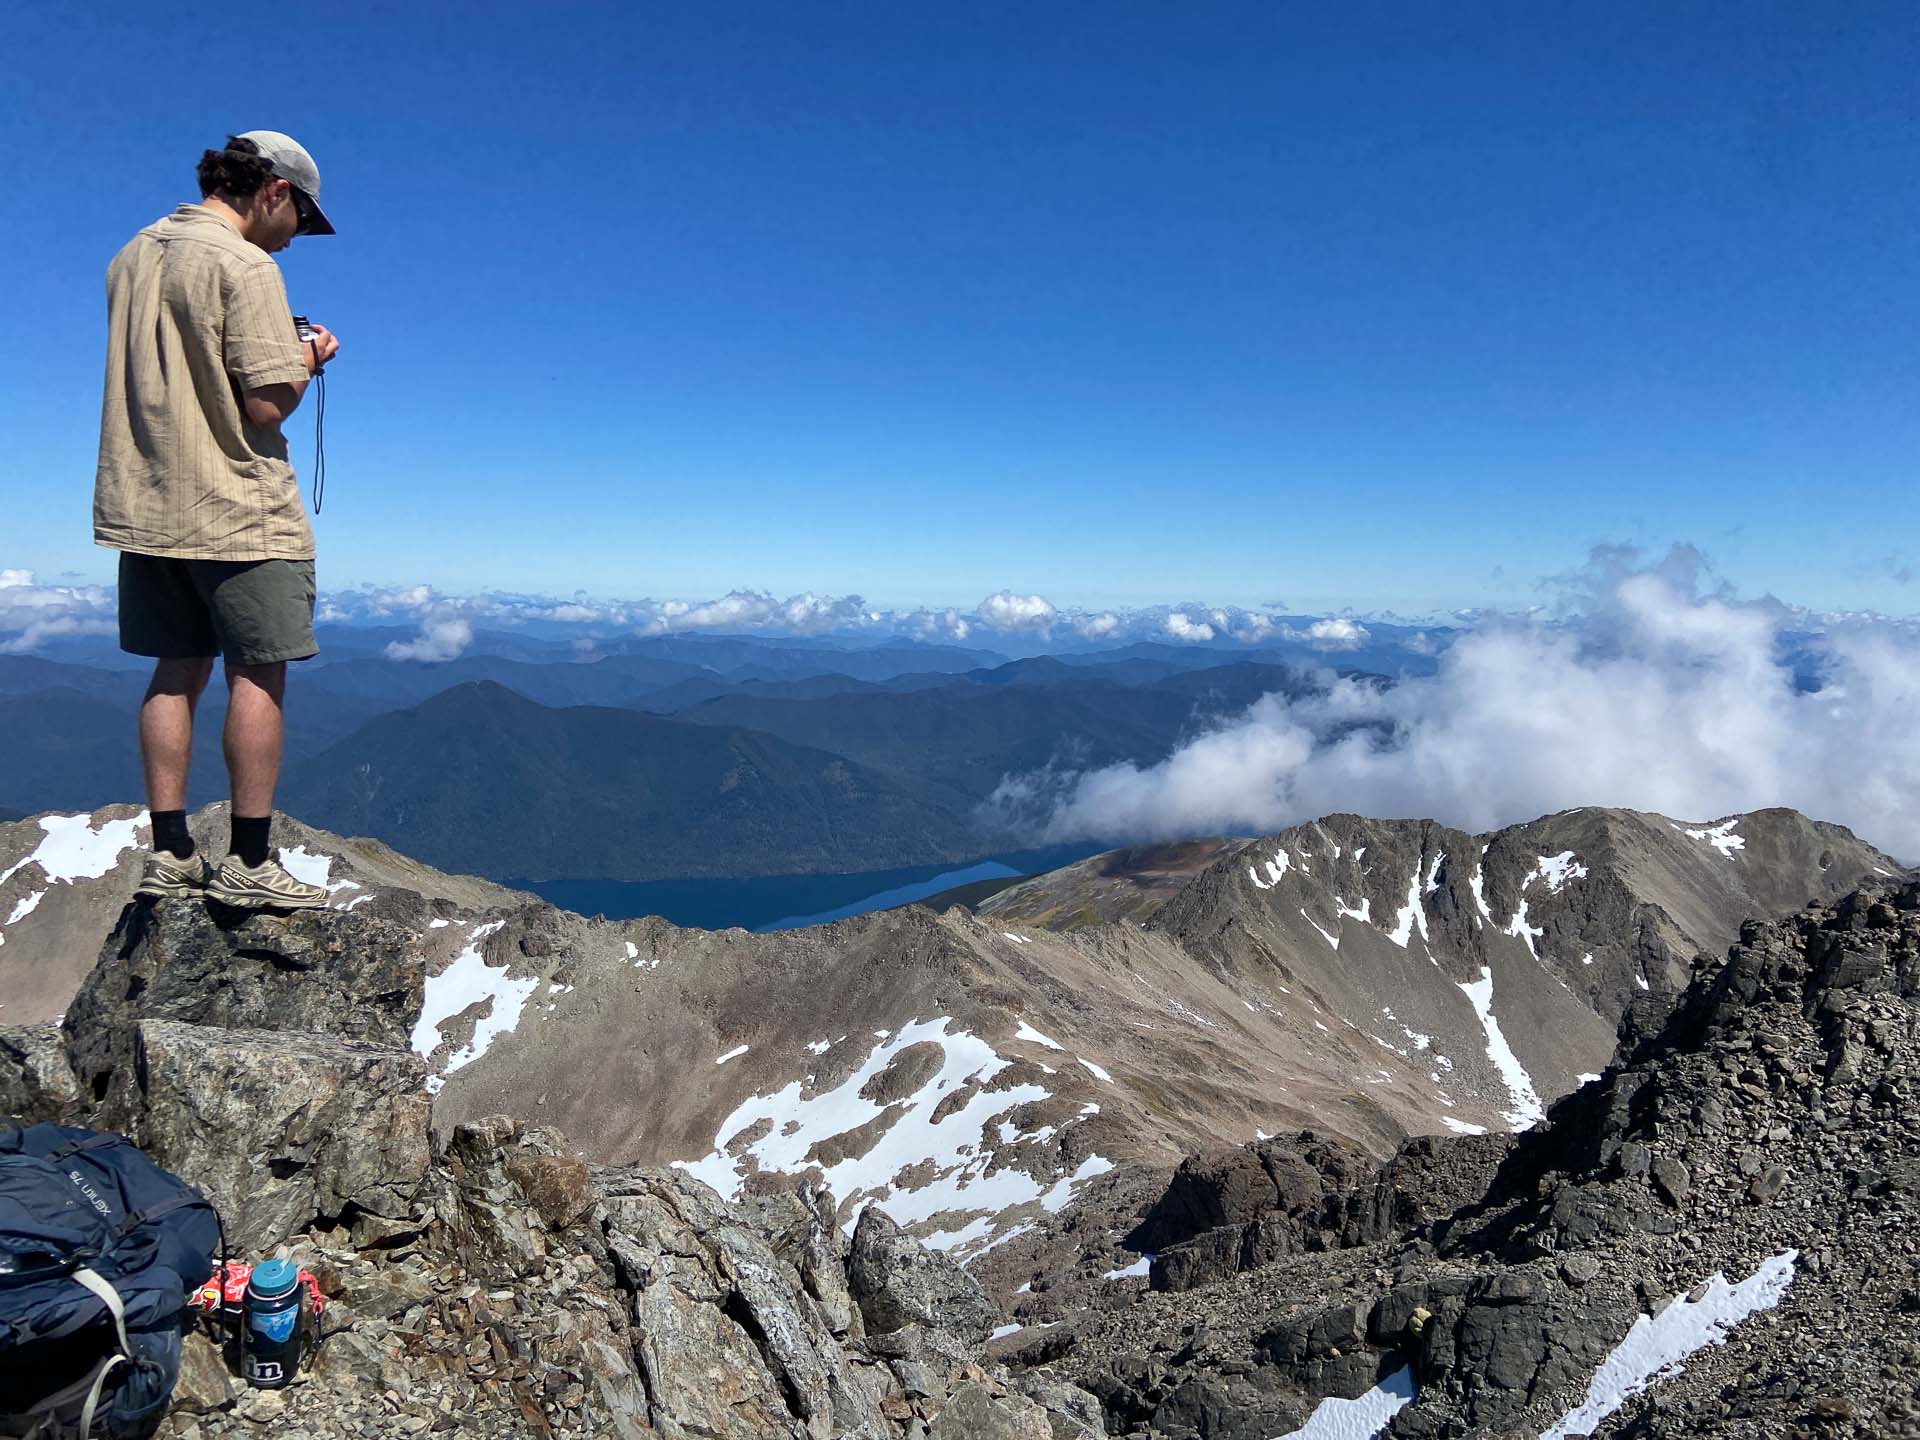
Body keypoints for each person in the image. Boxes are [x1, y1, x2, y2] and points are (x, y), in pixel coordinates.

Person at [94, 132, 341, 909]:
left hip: (146, 503)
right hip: (237, 507)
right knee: (258, 671)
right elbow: (266, 402)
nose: (296, 236)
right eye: (301, 218)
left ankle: (170, 851)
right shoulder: (245, 264)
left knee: (175, 670)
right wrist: (310, 357)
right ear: (274, 191)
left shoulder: (132, 256)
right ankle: (250, 862)